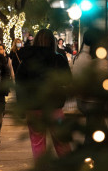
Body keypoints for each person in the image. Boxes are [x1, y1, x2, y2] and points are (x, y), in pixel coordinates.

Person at [15, 29, 71, 163]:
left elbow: (20, 85)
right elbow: (67, 80)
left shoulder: (27, 61)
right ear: (53, 42)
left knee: (37, 141)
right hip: (54, 106)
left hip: (33, 107)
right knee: (61, 140)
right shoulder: (58, 58)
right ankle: (68, 168)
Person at [72, 28, 108, 145]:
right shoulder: (97, 60)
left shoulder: (80, 57)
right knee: (95, 133)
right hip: (93, 101)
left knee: (97, 130)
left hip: (81, 99)